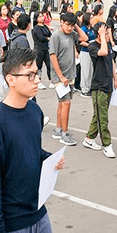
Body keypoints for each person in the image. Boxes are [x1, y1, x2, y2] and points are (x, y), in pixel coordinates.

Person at [0, 47, 64, 233]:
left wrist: (49, 157)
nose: (37, 80)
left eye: (37, 73)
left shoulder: (35, 111)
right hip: (11, 221)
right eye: (30, 75)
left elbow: (30, 151)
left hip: (38, 212)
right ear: (11, 80)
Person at [50, 12, 88, 146]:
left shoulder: (72, 34)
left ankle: (58, 129)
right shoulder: (56, 36)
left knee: (62, 103)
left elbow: (85, 37)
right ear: (61, 22)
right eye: (67, 24)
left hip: (70, 74)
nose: (69, 28)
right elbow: (53, 57)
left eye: (71, 25)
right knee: (66, 103)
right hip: (60, 77)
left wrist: (76, 26)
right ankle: (64, 134)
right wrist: (60, 76)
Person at [82, 21, 117, 158]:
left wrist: (115, 78)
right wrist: (103, 36)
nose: (109, 36)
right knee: (103, 118)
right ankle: (107, 145)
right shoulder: (93, 46)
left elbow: (111, 60)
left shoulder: (107, 43)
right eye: (106, 33)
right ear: (99, 34)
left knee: (98, 114)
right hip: (98, 87)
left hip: (108, 84)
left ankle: (89, 138)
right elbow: (103, 52)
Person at [32, 11, 53, 89]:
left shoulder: (45, 26)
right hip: (39, 49)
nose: (42, 17)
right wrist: (47, 38)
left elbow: (50, 34)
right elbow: (41, 38)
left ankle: (51, 81)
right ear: (36, 18)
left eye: (42, 16)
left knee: (49, 65)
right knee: (39, 66)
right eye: (39, 16)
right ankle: (39, 81)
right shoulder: (36, 28)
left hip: (46, 49)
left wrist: (48, 37)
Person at [79, 12, 96, 98]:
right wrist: (89, 45)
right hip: (85, 52)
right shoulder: (83, 29)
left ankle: (89, 88)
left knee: (90, 71)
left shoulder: (92, 29)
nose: (93, 19)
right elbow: (81, 41)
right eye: (91, 18)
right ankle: (84, 89)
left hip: (91, 52)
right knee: (85, 71)